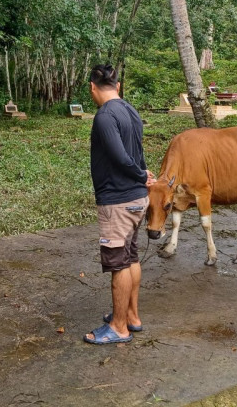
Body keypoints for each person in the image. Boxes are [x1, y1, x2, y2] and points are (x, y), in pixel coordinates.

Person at [83, 64, 155, 345]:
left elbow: (120, 156)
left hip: (118, 200)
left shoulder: (104, 117)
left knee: (118, 264)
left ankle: (119, 327)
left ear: (92, 87)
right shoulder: (130, 110)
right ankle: (132, 317)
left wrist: (139, 174)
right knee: (130, 257)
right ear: (119, 85)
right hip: (137, 198)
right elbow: (137, 151)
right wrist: (144, 174)